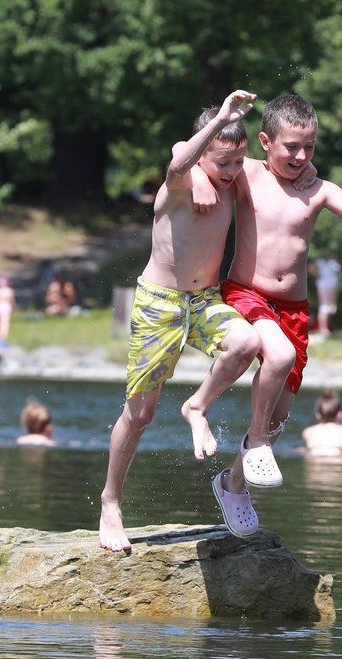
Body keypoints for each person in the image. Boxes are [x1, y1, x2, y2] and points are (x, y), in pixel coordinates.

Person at [196, 93, 342, 489]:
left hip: (295, 308)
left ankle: (233, 485)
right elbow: (198, 157)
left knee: (281, 413)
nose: (301, 156)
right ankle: (255, 439)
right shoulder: (246, 172)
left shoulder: (318, 189)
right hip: (247, 293)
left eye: (309, 147)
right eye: (292, 147)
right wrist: (199, 178)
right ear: (265, 143)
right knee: (278, 358)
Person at [99, 89, 276, 553]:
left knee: (246, 343)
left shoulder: (228, 179)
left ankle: (197, 406)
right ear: (205, 149)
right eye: (223, 163)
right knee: (140, 414)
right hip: (160, 303)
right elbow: (179, 162)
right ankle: (111, 502)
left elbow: (269, 167)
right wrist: (214, 129)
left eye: (239, 162)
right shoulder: (181, 183)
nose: (233, 173)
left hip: (203, 301)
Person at [301, 389, 342, 457]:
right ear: (339, 414)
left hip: (315, 460)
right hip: (337, 459)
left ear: (318, 415)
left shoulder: (308, 432)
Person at [312, 256, 340, 338]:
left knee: (331, 308)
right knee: (324, 307)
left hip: (333, 285)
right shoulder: (319, 258)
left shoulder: (333, 258)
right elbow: (311, 269)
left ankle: (328, 328)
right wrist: (318, 276)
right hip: (324, 285)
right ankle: (323, 330)